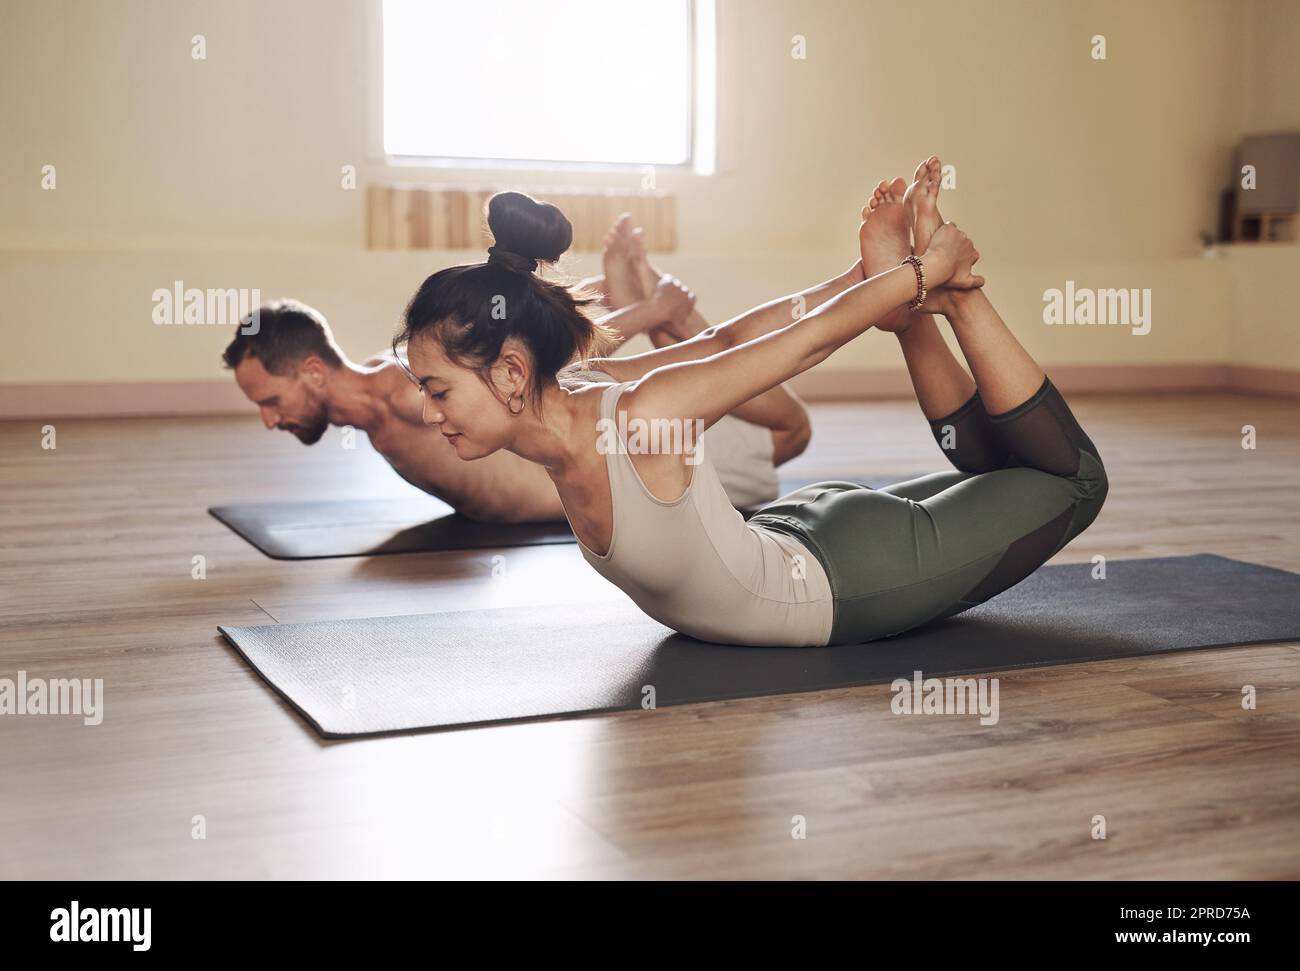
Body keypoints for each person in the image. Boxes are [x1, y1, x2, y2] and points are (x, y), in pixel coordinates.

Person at [396, 159, 1108, 646]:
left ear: (512, 373)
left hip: (850, 577)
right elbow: (726, 337)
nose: (429, 413)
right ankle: (921, 304)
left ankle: (956, 299)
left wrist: (924, 274)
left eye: (437, 389)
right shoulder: (591, 388)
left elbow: (800, 343)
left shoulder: (638, 417)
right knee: (997, 479)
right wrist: (869, 275)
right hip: (798, 535)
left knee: (1074, 481)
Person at [222, 220, 818, 520]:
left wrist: (647, 314)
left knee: (793, 430)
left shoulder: (402, 393)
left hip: (631, 463)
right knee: (718, 375)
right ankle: (659, 313)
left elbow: (544, 365)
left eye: (270, 401)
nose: (270, 420)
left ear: (313, 372)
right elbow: (519, 348)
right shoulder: (394, 398)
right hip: (604, 451)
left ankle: (674, 318)